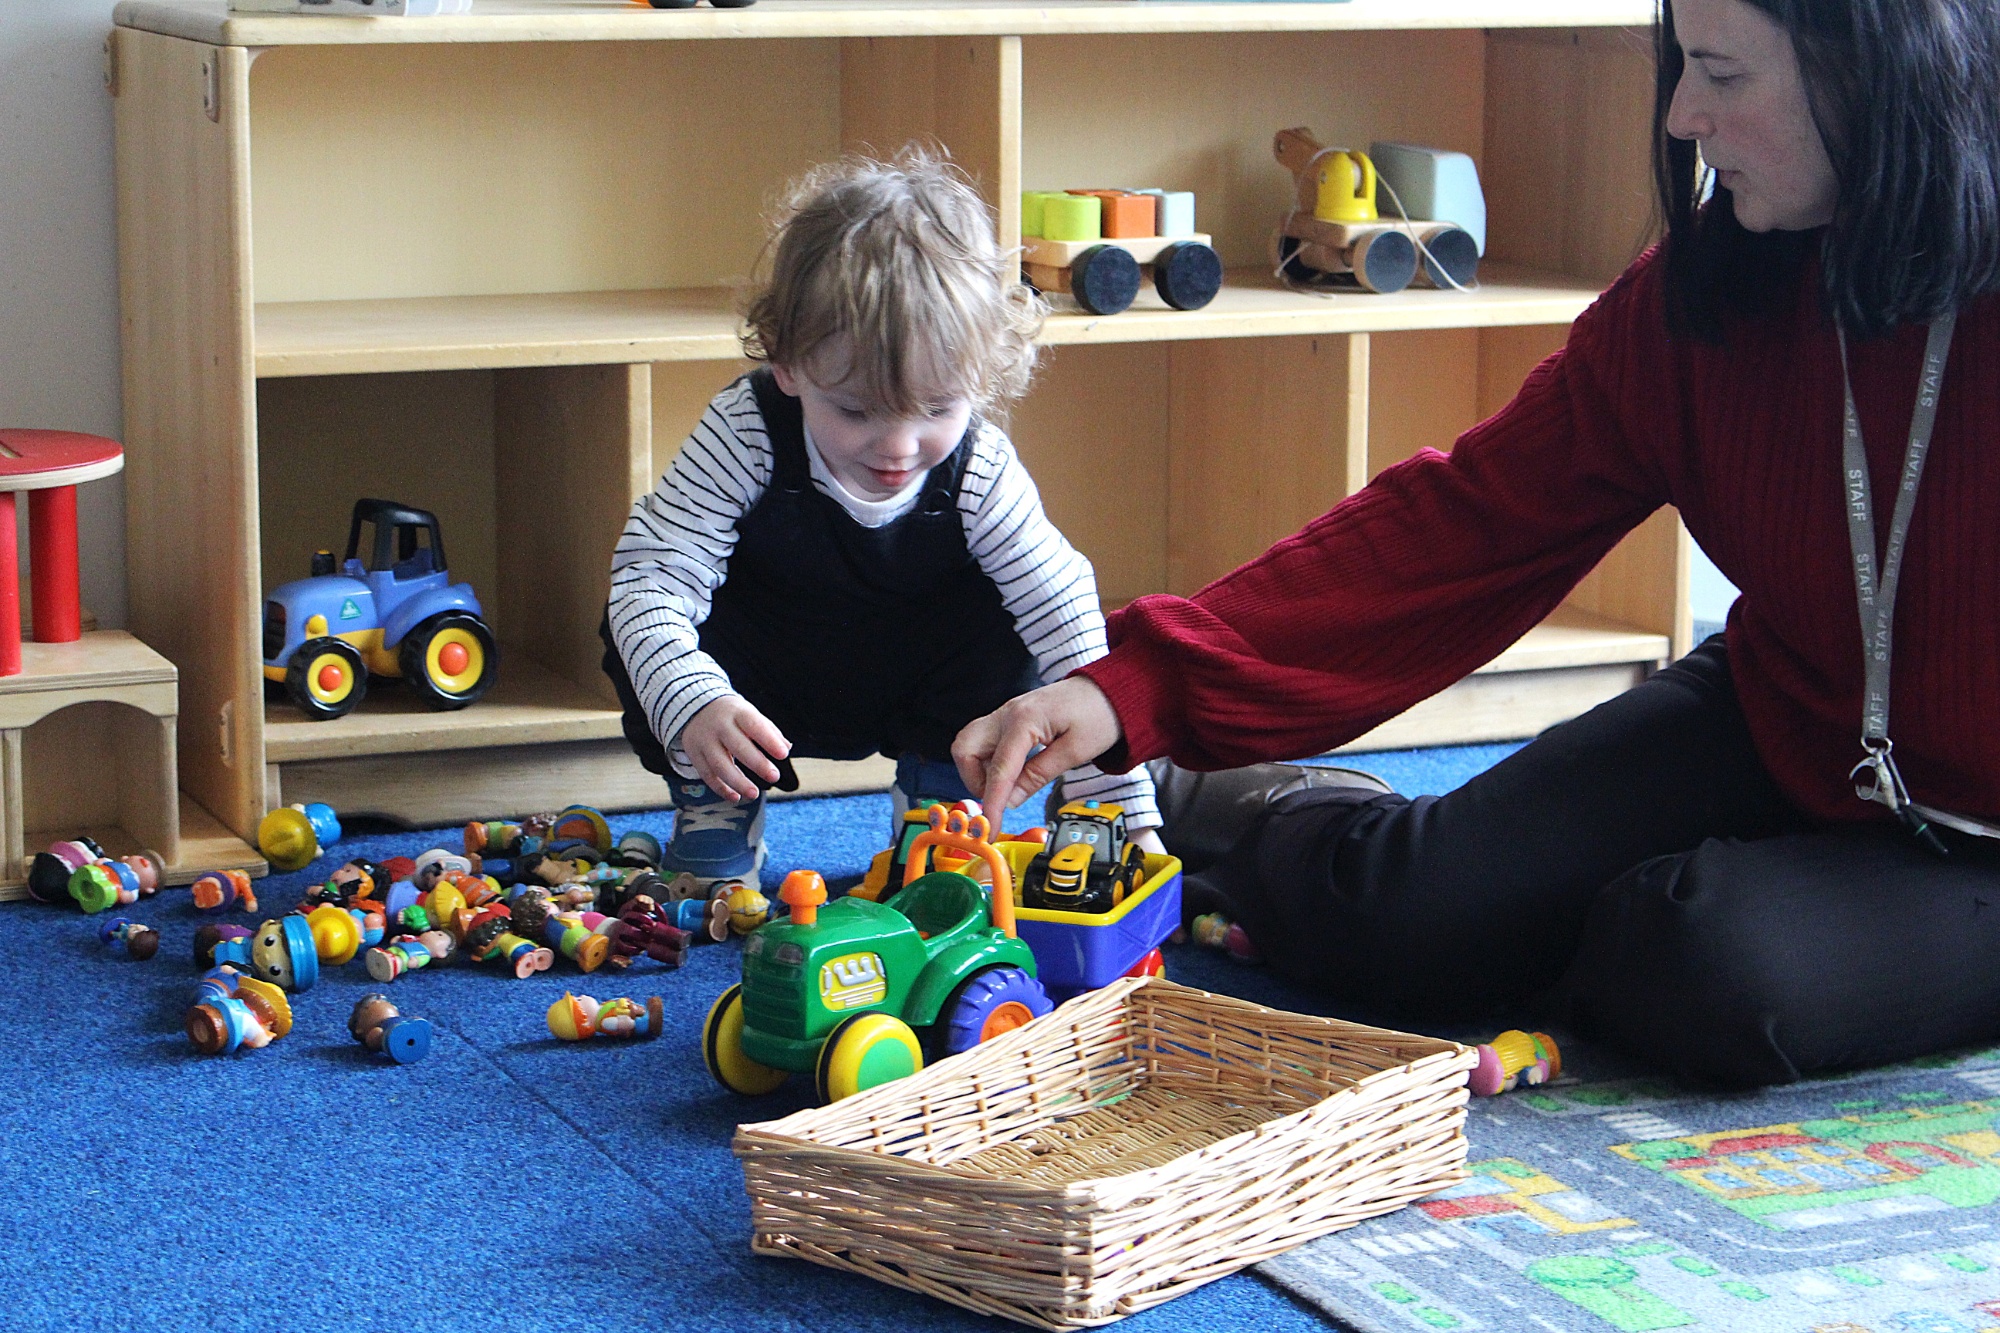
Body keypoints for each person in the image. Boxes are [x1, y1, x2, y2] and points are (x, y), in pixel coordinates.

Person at [954, 0, 2000, 1089]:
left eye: (1723, 75)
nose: (1682, 115)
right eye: (1681, 67)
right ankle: (1252, 798)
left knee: (1706, 963)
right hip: (1795, 716)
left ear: (1873, 66)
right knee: (1405, 916)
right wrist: (1143, 683)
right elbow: (1472, 518)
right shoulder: (1717, 279)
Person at [604, 151, 1159, 890]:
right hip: (770, 678)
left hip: (924, 683)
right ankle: (717, 801)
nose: (898, 446)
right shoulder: (746, 428)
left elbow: (1064, 617)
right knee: (640, 623)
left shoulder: (981, 466)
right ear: (787, 363)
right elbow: (652, 579)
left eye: (937, 408)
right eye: (856, 410)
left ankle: (941, 808)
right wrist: (693, 698)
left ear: (982, 374)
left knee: (1018, 619)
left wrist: (1115, 794)